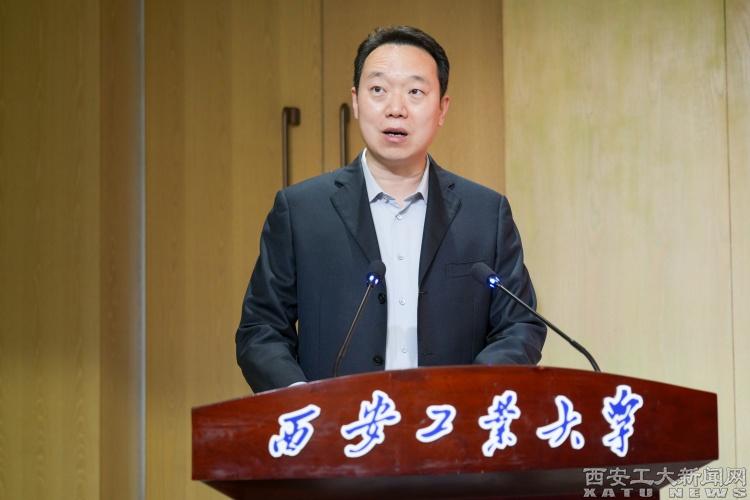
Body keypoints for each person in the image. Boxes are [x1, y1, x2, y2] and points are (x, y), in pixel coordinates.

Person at [236, 26, 546, 393]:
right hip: (336, 424)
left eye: (415, 92)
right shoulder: (301, 212)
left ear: (442, 108)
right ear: (355, 101)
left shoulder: (485, 214)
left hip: (450, 421)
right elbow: (261, 330)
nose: (395, 109)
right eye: (378, 90)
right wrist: (304, 404)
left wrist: (470, 393)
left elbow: (520, 326)